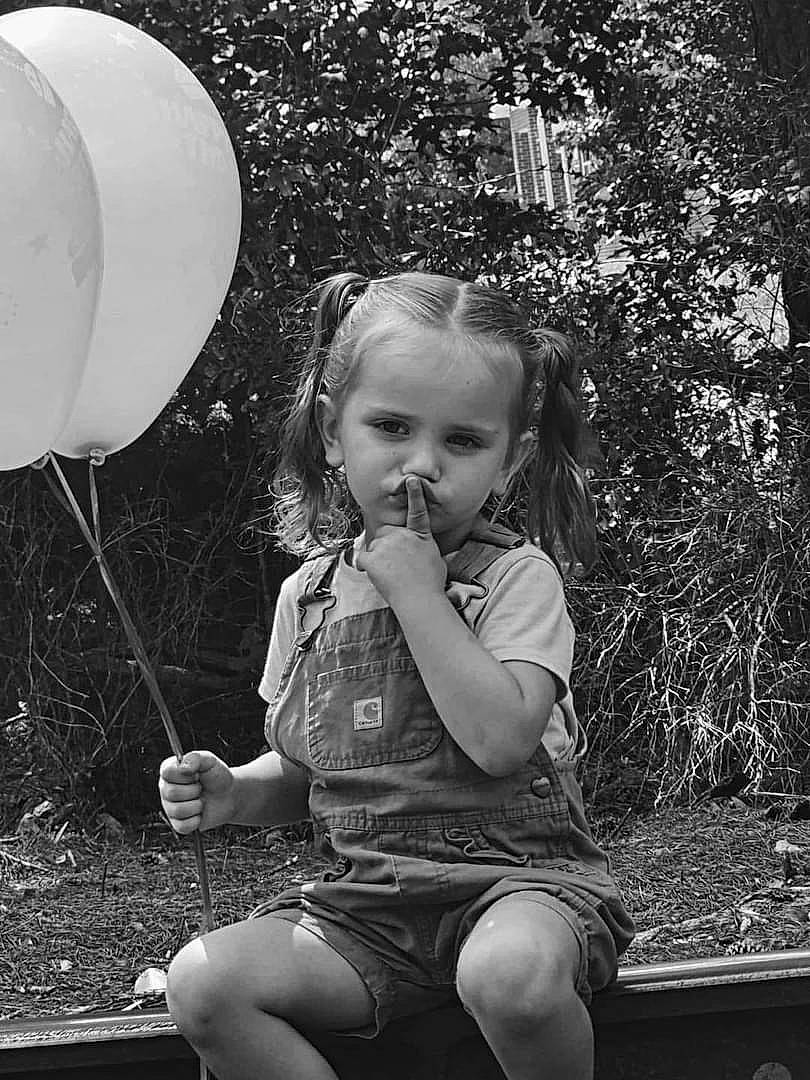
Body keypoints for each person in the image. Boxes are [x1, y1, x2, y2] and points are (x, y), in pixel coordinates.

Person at [158, 271, 635, 1080]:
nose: (421, 466)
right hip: (368, 912)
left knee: (508, 978)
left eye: (462, 441)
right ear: (333, 433)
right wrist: (236, 791)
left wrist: (418, 593)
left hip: (519, 889)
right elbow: (311, 770)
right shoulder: (307, 598)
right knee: (205, 984)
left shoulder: (513, 579)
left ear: (510, 462)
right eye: (390, 426)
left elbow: (499, 741)